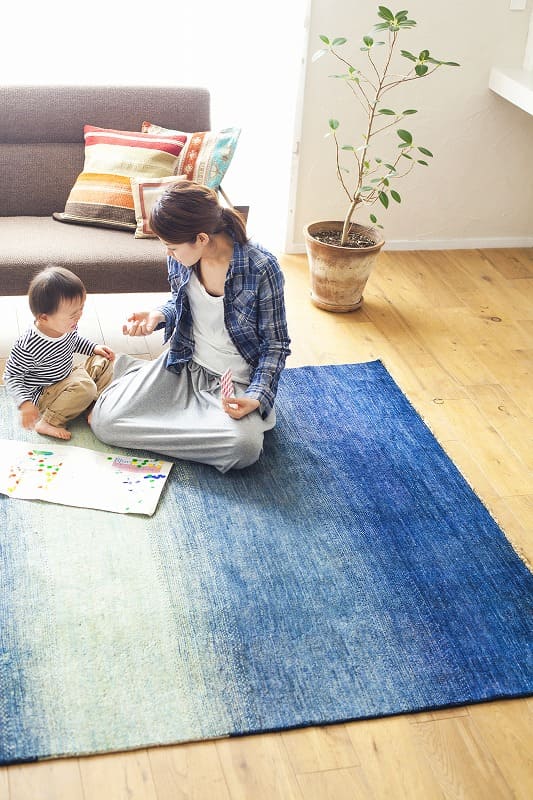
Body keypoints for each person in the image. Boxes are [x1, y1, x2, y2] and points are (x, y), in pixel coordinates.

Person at [90, 181, 291, 472]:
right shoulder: (181, 259)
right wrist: (159, 315)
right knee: (104, 422)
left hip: (235, 383)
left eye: (172, 248)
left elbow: (276, 344)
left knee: (244, 448)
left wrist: (256, 396)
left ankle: (148, 393)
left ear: (201, 238)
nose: (169, 254)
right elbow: (180, 301)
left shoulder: (261, 268)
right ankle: (185, 417)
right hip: (185, 364)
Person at [4, 266, 115, 441]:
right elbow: (11, 376)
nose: (79, 316)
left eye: (81, 308)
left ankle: (93, 405)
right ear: (44, 318)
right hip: (45, 393)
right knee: (85, 386)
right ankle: (50, 422)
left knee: (104, 360)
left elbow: (73, 341)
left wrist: (93, 348)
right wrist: (25, 404)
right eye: (73, 314)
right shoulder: (28, 345)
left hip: (67, 376)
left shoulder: (66, 326)